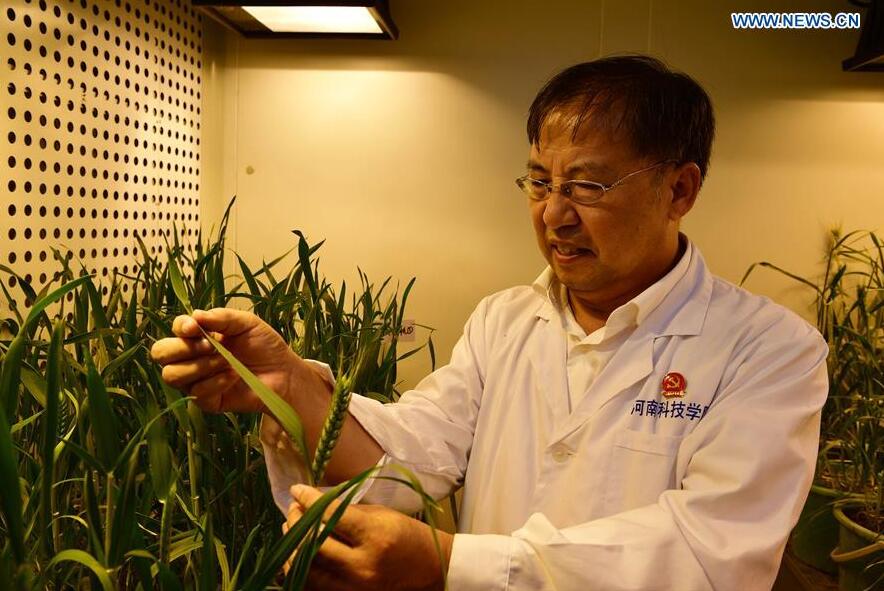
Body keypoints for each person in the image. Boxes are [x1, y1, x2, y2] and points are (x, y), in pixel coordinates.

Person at [150, 55, 829, 591]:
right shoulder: (505, 320)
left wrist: (448, 563)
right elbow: (410, 457)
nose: (554, 214)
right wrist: (293, 384)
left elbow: (708, 557)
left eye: (588, 187)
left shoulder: (769, 351)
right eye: (539, 182)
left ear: (679, 189)